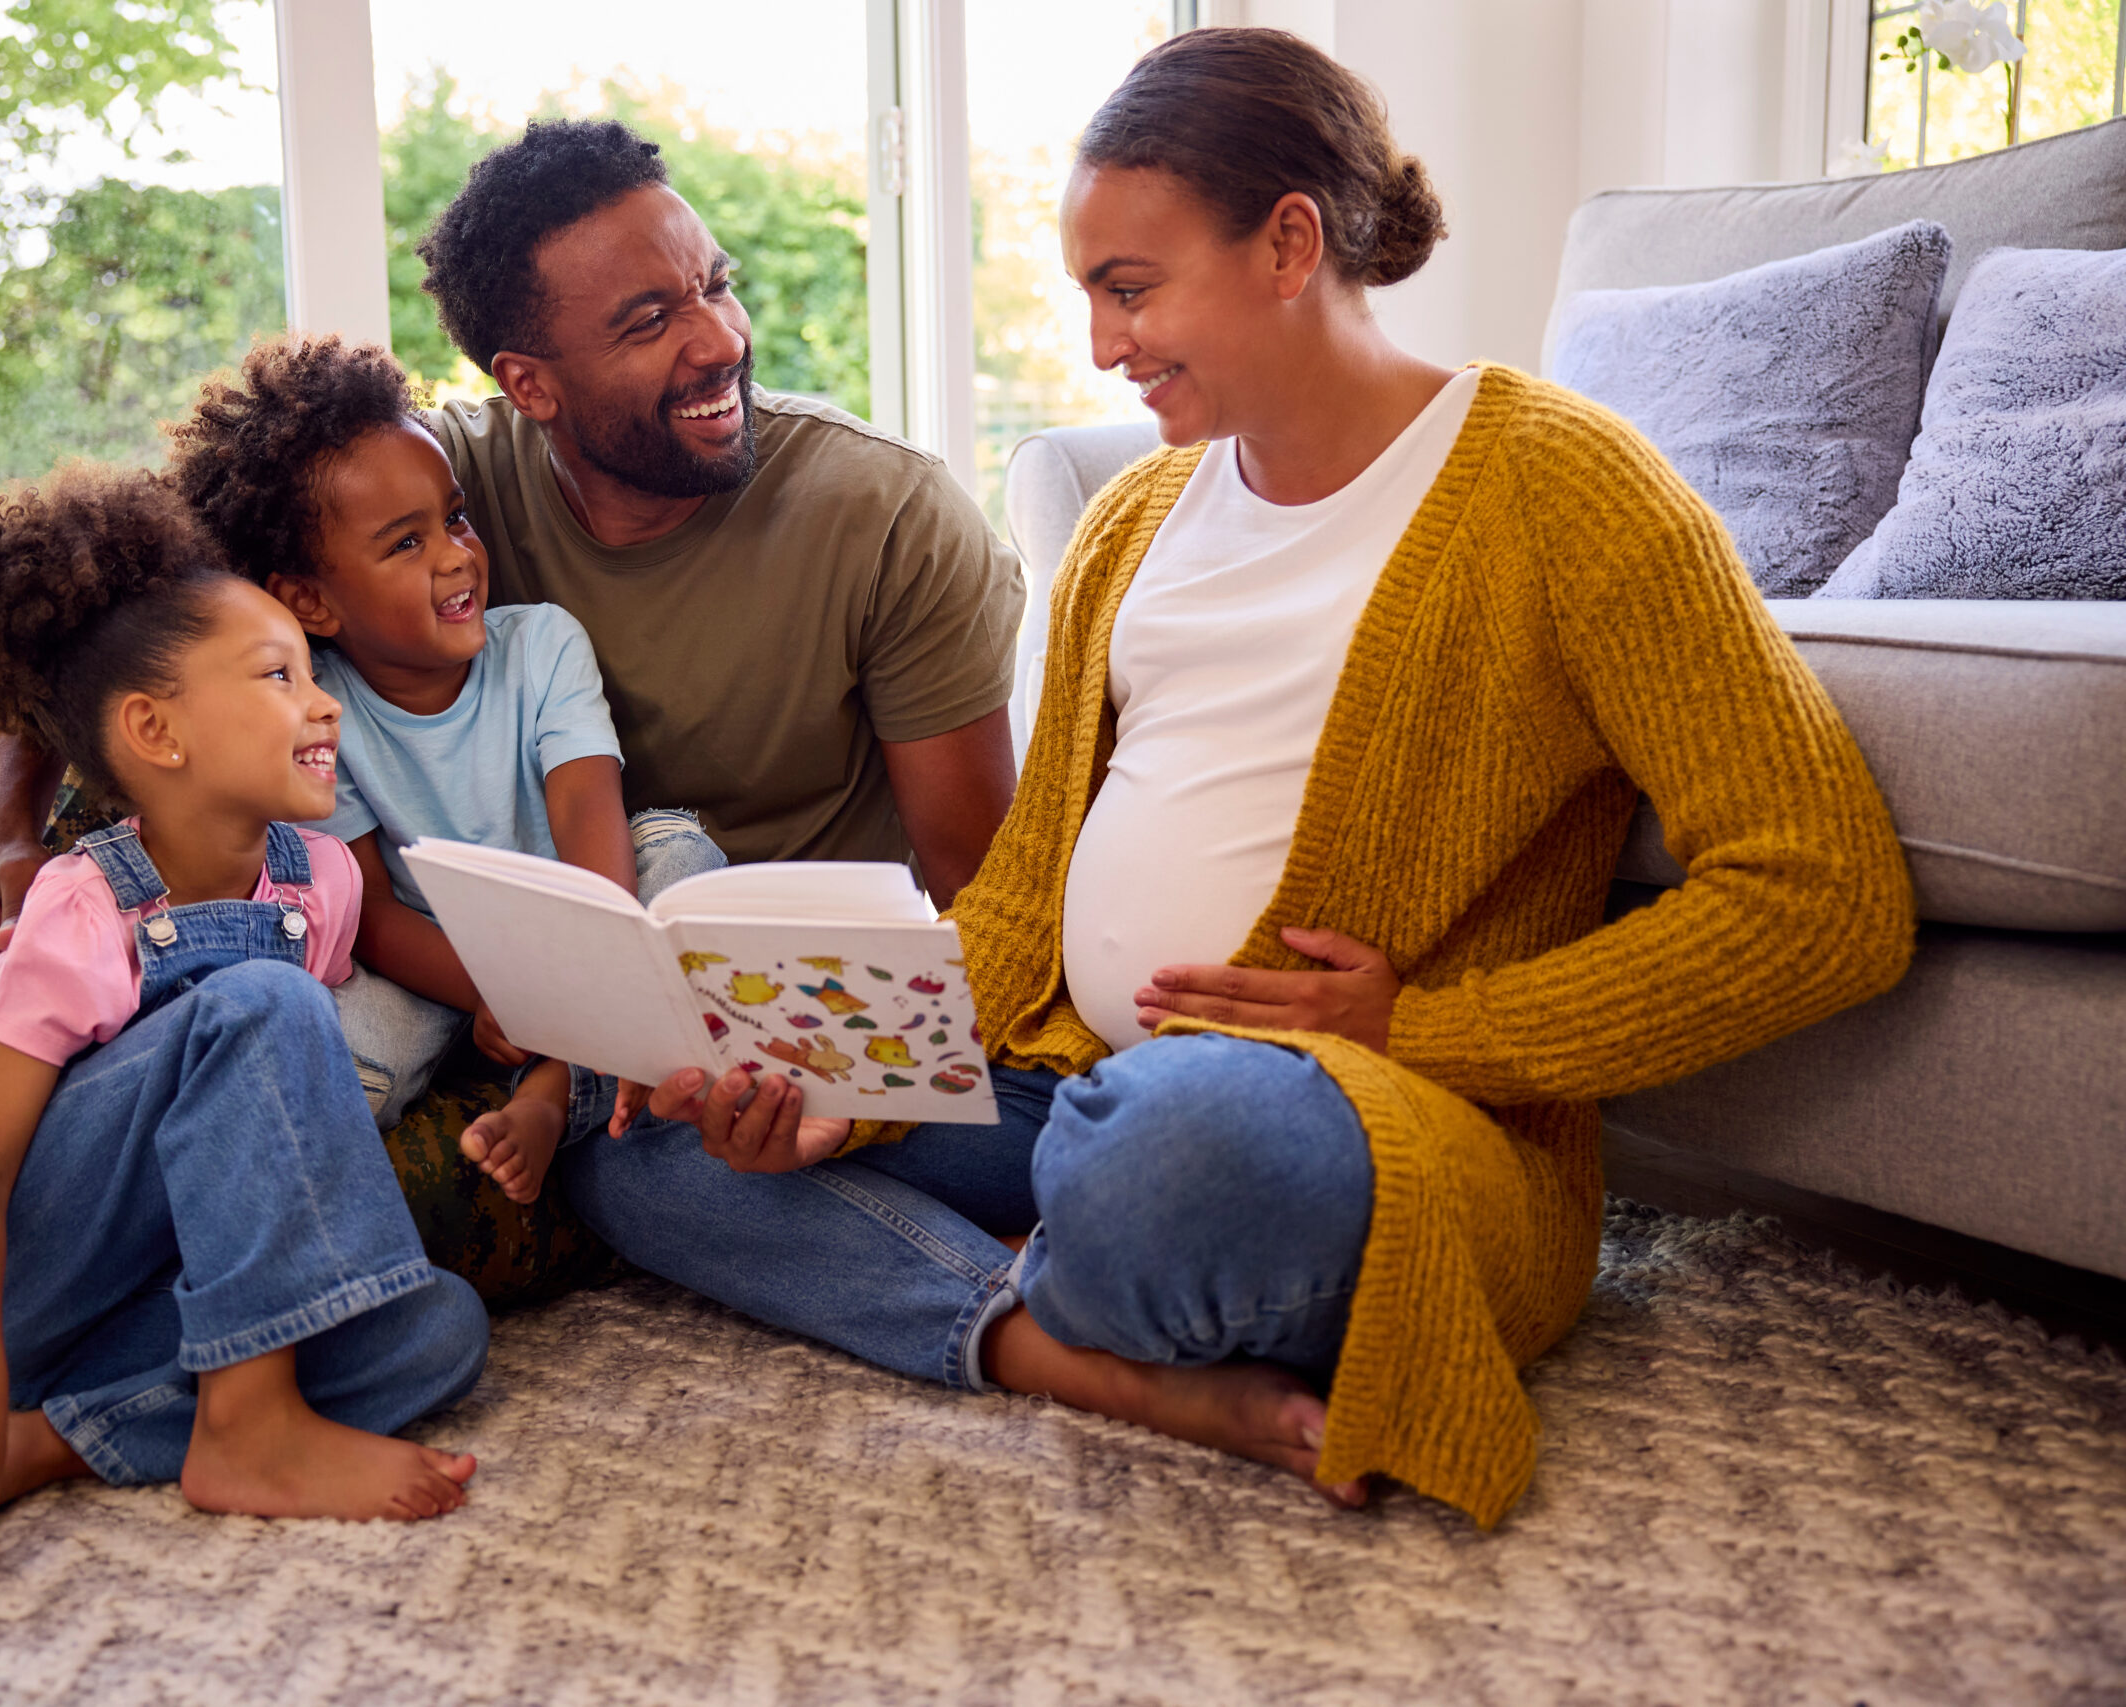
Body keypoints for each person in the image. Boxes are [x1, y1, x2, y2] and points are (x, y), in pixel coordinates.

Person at [561, 27, 1916, 1526]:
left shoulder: (1567, 487)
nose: (1101, 345)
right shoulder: (1132, 519)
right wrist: (853, 1088)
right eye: (1089, 295)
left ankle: (1028, 1258)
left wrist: (1436, 1024)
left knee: (1170, 1162)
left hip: (1360, 1117)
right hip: (1060, 1076)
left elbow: (1826, 892)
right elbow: (1021, 896)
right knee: (648, 1152)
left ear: (1289, 243)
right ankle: (1056, 1337)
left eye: (1130, 289)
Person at [0, 116, 1023, 1276]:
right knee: (173, 709)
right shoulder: (439, 481)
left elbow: (979, 880)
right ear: (527, 384)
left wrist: (841, 1085)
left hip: (682, 1007)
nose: (719, 338)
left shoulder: (885, 515)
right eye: (649, 319)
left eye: (714, 285)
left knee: (386, 1212)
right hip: (436, 947)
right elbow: (112, 593)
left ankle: (123, 1240)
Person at [0, 467, 488, 1563]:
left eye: (312, 674)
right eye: (276, 676)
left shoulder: (322, 885)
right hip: (3, 1259)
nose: (323, 701)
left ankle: (53, 1444)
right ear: (156, 731)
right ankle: (244, 1429)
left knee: (428, 1330)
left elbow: (272, 1120)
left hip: (152, 1284)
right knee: (264, 999)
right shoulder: (83, 904)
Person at [163, 331, 726, 1201]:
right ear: (310, 599)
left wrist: (551, 995)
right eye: (404, 545)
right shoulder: (318, 714)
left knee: (682, 858)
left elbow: (591, 822)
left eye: (453, 517)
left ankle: (550, 1094)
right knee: (334, 1042)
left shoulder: (542, 644)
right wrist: (494, 990)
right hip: (434, 962)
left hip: (587, 926)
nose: (457, 556)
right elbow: (373, 914)